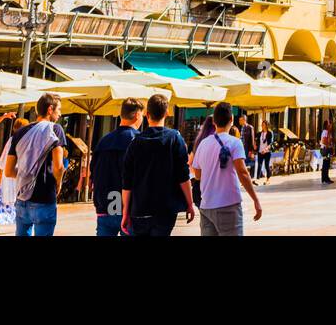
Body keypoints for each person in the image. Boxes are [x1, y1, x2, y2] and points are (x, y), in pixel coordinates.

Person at [122, 93, 194, 236]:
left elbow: (127, 182)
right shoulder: (174, 138)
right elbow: (183, 176)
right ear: (167, 113)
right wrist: (190, 203)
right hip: (165, 209)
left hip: (139, 209)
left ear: (147, 114)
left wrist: (125, 212)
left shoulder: (135, 142)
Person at [191, 101, 262, 236]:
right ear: (231, 120)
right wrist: (255, 200)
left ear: (214, 122)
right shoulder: (235, 142)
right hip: (228, 205)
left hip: (206, 206)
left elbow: (197, 175)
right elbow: (243, 173)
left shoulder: (203, 144)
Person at [5, 92, 67, 237]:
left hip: (22, 199)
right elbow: (58, 167)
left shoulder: (19, 133)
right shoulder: (55, 129)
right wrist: (58, 183)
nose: (59, 114)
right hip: (44, 198)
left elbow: (8, 171)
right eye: (58, 110)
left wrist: (26, 175)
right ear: (50, 109)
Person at [91, 98, 143, 237]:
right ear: (138, 115)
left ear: (121, 114)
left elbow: (93, 172)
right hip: (129, 208)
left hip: (105, 206)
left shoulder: (103, 141)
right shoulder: (139, 141)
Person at [319, 120, 334, 185]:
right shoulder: (325, 132)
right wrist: (329, 146)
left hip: (327, 149)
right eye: (329, 124)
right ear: (326, 125)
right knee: (325, 164)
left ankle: (326, 178)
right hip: (325, 150)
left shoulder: (328, 132)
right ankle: (325, 178)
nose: (330, 125)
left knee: (327, 164)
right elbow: (323, 141)